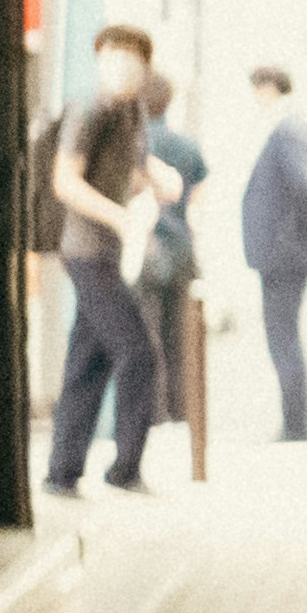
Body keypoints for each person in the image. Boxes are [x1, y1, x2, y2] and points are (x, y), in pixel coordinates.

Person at [37, 28, 186, 496]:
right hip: (86, 250)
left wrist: (161, 179)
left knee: (88, 361)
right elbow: (66, 181)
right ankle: (124, 470)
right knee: (138, 352)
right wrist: (120, 218)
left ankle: (61, 473)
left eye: (130, 58)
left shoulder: (131, 112)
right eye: (111, 56)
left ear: (144, 68)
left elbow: (133, 171)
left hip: (105, 251)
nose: (120, 65)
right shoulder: (90, 109)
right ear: (99, 62)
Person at [240, 67, 307, 443]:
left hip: (283, 253)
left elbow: (303, 187)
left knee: (283, 336)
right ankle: (294, 423)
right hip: (286, 250)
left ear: (269, 88)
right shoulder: (292, 127)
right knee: (284, 335)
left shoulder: (287, 129)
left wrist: (297, 238)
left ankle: (295, 424)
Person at [130, 64, 207, 433]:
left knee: (149, 333)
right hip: (181, 247)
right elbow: (197, 196)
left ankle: (155, 413)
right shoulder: (186, 145)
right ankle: (183, 411)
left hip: (146, 247)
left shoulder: (137, 142)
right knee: (182, 336)